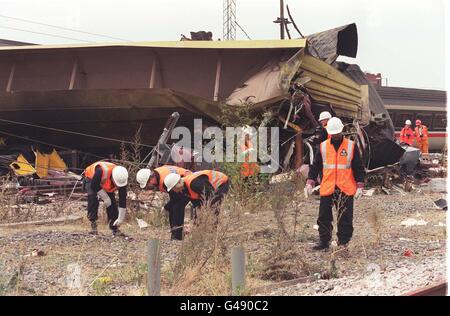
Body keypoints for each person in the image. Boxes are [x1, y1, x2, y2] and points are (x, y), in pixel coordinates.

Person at [305, 117, 365, 250]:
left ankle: (343, 242)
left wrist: (360, 185)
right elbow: (315, 166)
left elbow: (359, 167)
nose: (335, 135)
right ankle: (324, 241)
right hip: (328, 186)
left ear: (342, 131)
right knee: (324, 215)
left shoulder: (350, 146)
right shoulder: (323, 147)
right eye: (333, 133)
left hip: (345, 186)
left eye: (337, 133)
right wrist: (310, 182)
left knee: (345, 216)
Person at [163, 170, 230, 239]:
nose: (174, 191)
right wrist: (195, 223)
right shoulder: (185, 189)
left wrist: (198, 221)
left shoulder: (195, 184)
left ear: (179, 182)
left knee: (213, 207)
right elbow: (198, 206)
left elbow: (211, 196)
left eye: (174, 188)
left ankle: (213, 235)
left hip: (221, 182)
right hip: (210, 190)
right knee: (202, 211)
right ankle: (200, 234)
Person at [136, 165, 192, 240]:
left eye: (147, 184)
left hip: (188, 184)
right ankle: (175, 233)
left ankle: (178, 236)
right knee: (172, 207)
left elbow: (176, 198)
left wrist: (165, 207)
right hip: (182, 182)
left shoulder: (164, 181)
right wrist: (167, 207)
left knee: (177, 207)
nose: (148, 187)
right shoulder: (158, 173)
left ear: (151, 178)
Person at [84, 161, 128, 237]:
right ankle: (93, 226)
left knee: (112, 203)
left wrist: (120, 218)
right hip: (92, 179)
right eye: (116, 183)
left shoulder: (122, 179)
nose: (117, 186)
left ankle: (114, 228)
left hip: (105, 182)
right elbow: (94, 186)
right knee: (93, 198)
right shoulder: (101, 171)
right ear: (113, 177)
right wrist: (105, 198)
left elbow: (122, 199)